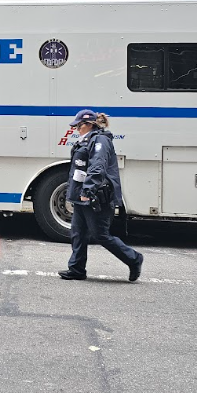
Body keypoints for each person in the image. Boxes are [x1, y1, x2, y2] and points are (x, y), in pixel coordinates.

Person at [58, 109, 144, 282]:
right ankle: (76, 269)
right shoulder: (86, 141)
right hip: (83, 196)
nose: (76, 129)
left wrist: (87, 190)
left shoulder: (100, 141)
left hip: (95, 197)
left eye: (78, 126)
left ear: (89, 124)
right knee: (78, 233)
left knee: (100, 235)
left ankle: (134, 259)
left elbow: (97, 167)